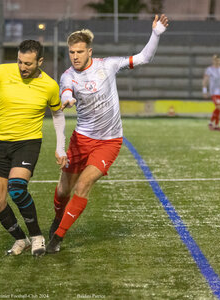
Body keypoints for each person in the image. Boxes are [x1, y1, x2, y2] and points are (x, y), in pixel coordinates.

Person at [46, 15, 169, 254]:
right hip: (81, 140)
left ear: (89, 51)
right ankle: (57, 220)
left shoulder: (108, 65)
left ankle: (57, 238)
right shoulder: (67, 76)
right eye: (71, 52)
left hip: (109, 142)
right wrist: (67, 99)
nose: (75, 56)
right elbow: (66, 92)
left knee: (84, 184)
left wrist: (156, 34)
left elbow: (144, 58)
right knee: (63, 191)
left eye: (79, 51)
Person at [0, 40, 67, 257]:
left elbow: (57, 114)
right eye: (20, 61)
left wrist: (60, 147)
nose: (22, 67)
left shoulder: (50, 85)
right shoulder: (1, 71)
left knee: (17, 189)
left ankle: (37, 236)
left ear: (40, 61)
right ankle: (21, 238)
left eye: (28, 63)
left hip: (27, 143)